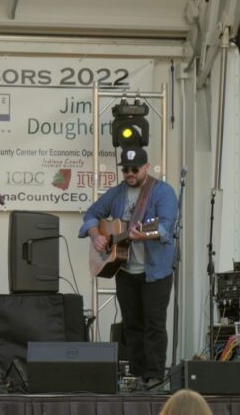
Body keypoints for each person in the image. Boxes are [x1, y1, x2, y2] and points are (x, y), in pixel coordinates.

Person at [79, 147, 178, 390]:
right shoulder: (117, 193)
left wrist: (144, 235)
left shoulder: (163, 192)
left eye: (135, 169)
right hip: (124, 270)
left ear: (147, 167)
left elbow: (165, 228)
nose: (130, 173)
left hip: (156, 272)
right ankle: (136, 375)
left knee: (154, 324)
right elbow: (91, 214)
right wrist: (95, 236)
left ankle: (154, 378)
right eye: (126, 169)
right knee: (132, 326)